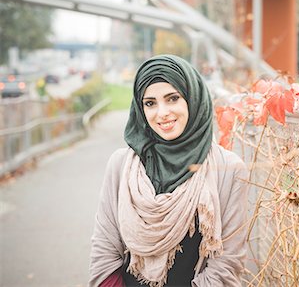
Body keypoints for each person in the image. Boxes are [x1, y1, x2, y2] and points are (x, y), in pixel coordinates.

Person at [89, 54, 249, 287]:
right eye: (150, 103)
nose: (162, 113)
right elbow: (104, 250)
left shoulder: (228, 170)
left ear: (192, 99)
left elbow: (227, 264)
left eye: (172, 98)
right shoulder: (121, 165)